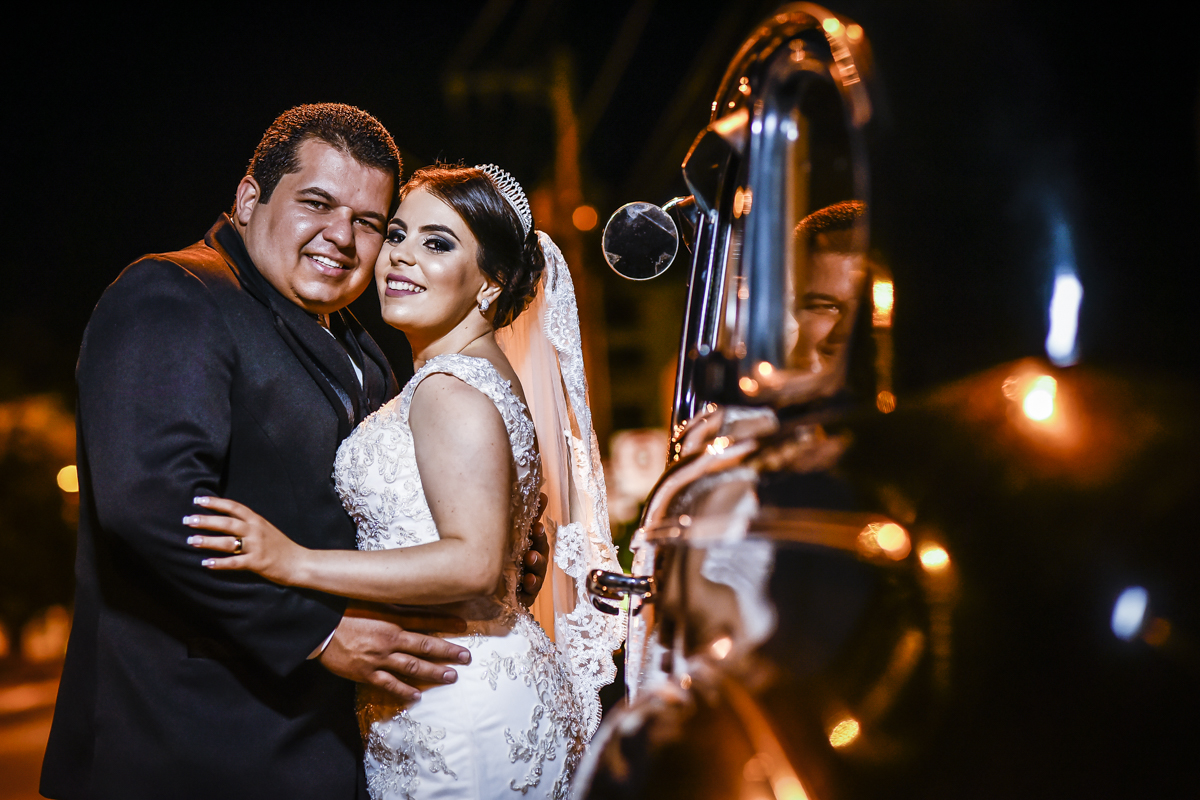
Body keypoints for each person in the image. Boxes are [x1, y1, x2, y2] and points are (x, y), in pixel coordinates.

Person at [40, 104, 548, 800]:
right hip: (197, 740)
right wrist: (320, 633)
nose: (341, 236)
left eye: (369, 222)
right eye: (317, 203)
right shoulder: (173, 295)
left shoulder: (362, 345)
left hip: (340, 735)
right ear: (250, 198)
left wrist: (496, 551)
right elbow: (152, 507)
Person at [183, 163, 625, 799]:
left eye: (437, 243)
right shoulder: (478, 374)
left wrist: (292, 561)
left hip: (458, 710)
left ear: (490, 283)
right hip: (463, 682)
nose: (400, 257)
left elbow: (473, 564)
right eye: (396, 234)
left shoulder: (448, 388)